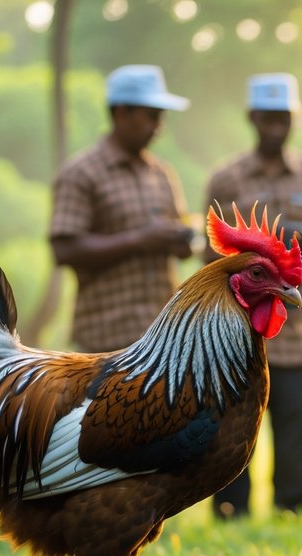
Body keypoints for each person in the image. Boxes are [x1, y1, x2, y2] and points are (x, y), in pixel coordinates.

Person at [201, 73, 302, 520]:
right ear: (252, 118)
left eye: (282, 116)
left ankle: (292, 507)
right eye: (266, 117)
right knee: (233, 423)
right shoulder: (226, 179)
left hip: (298, 327)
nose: (274, 125)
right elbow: (207, 252)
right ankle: (231, 507)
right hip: (238, 328)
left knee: (294, 422)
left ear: (294, 118)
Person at [49, 65, 194, 352]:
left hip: (162, 337)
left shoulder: (162, 174)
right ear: (121, 113)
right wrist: (139, 239)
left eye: (161, 117)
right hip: (105, 339)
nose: (158, 126)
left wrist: (182, 240)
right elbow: (64, 249)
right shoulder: (82, 173)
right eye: (151, 116)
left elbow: (183, 245)